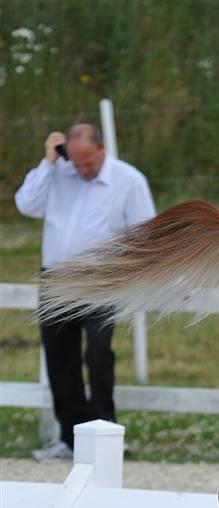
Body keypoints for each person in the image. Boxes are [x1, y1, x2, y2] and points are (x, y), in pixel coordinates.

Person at [15, 124, 155, 460]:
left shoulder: (128, 180)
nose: (81, 170)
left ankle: (105, 432)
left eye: (88, 163)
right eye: (75, 163)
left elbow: (146, 230)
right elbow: (26, 204)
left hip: (100, 279)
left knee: (97, 354)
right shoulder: (56, 173)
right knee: (59, 361)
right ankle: (69, 438)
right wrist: (47, 164)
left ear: (102, 148)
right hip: (56, 279)